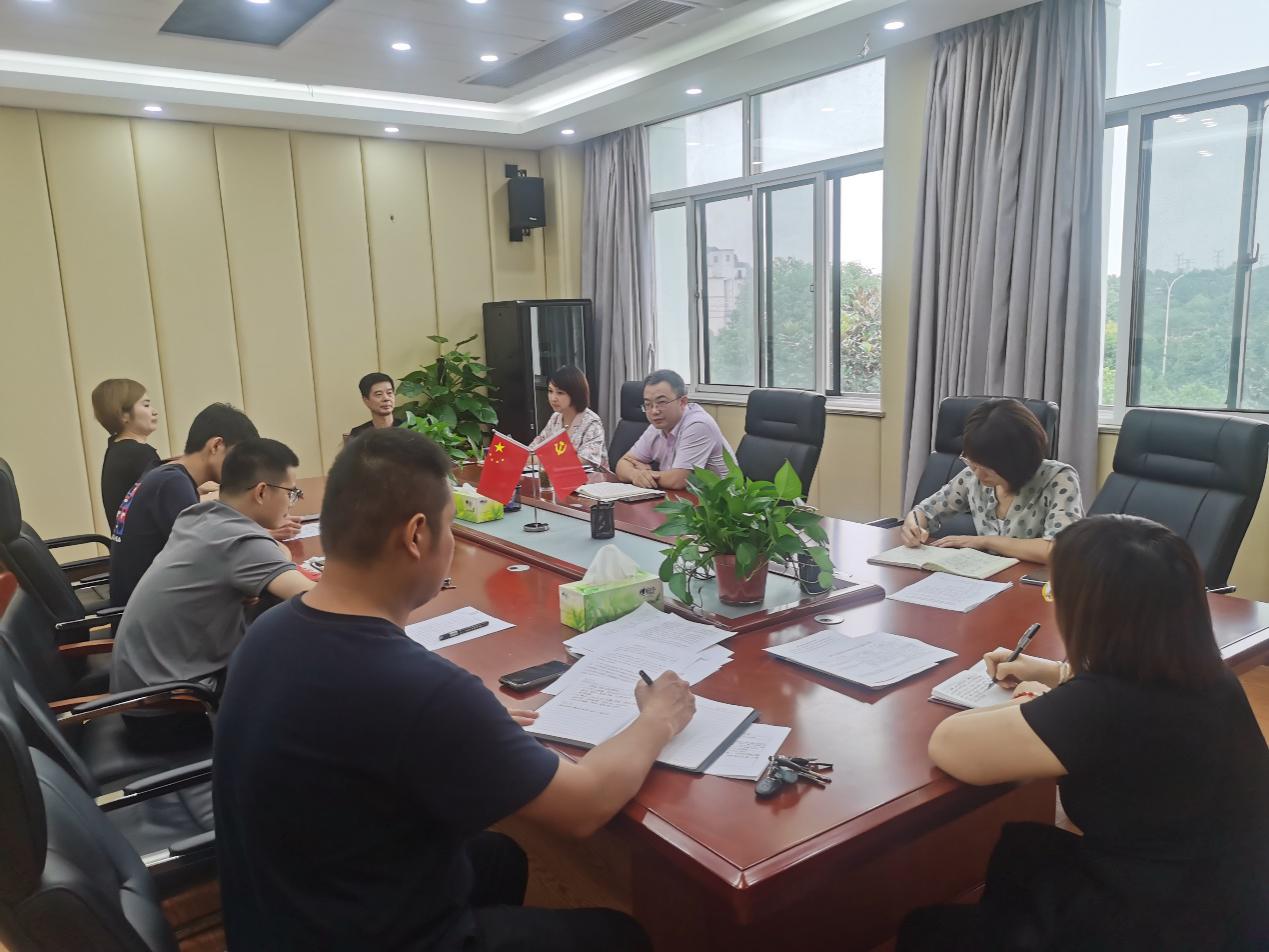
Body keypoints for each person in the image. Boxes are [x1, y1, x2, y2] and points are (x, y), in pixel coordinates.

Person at [214, 428, 691, 950]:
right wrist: (657, 719)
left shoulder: (267, 632)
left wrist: (465, 729)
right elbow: (587, 804)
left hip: (277, 918)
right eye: (451, 529)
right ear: (417, 535)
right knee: (619, 937)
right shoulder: (418, 689)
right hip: (356, 934)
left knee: (499, 859)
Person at [899, 515, 1269, 951]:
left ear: (1092, 613)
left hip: (1158, 921)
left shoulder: (1101, 707)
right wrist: (1057, 674)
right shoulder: (1208, 676)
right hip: (1233, 901)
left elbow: (948, 744)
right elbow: (1126, 700)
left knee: (926, 930)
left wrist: (1033, 701)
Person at [111, 438, 314, 751]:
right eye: (291, 493)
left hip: (142, 696)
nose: (292, 503)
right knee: (305, 676)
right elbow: (318, 602)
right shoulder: (239, 541)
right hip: (175, 710)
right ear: (261, 492)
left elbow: (268, 552)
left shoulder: (200, 516)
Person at [110, 403, 295, 605]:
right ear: (216, 446)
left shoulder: (164, 473)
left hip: (142, 599)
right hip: (152, 610)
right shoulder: (173, 484)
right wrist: (269, 543)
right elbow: (218, 554)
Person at [900, 398, 1082, 563]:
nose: (979, 475)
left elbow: (1059, 550)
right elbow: (924, 511)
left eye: (988, 469)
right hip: (987, 577)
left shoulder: (1059, 478)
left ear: (1018, 461)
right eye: (973, 464)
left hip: (1035, 584)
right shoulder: (972, 476)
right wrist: (913, 526)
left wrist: (986, 541)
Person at [615, 369, 733, 490]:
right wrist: (635, 475)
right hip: (681, 496)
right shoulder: (657, 426)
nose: (654, 411)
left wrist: (647, 474)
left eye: (661, 402)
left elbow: (678, 480)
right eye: (648, 404)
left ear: (682, 402)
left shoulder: (699, 424)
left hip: (720, 499)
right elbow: (622, 464)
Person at [91, 378, 161, 525]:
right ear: (124, 415)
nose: (155, 412)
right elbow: (167, 504)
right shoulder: (139, 454)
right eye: (146, 405)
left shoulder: (117, 449)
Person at [529, 365, 607, 469]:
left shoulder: (592, 422)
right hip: (558, 476)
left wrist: (539, 459)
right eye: (550, 391)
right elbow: (535, 448)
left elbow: (584, 460)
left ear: (575, 394)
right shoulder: (555, 418)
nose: (553, 398)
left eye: (560, 393)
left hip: (591, 478)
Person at [348, 371, 404, 440]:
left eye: (389, 393)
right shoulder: (358, 434)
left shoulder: (408, 428)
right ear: (366, 400)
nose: (386, 398)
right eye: (379, 394)